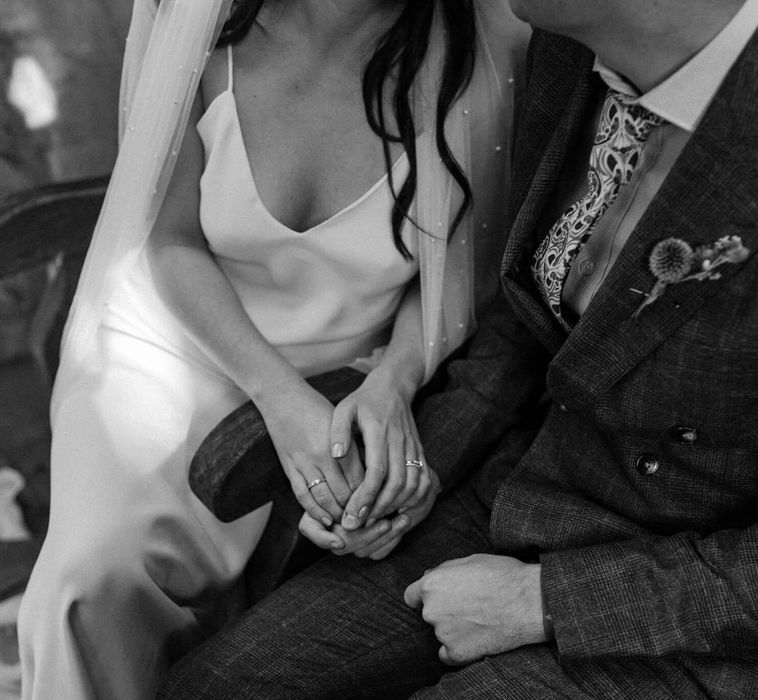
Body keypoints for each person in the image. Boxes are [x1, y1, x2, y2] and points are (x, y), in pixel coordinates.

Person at [156, 0, 758, 697]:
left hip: (690, 605)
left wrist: (543, 602)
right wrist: (403, 470)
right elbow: (526, 325)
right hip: (519, 490)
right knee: (219, 688)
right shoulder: (564, 50)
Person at [17, 0, 530, 698]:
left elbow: (455, 274)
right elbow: (168, 241)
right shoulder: (199, 21)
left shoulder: (489, 45)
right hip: (167, 346)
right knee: (93, 573)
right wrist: (279, 396)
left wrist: (393, 384)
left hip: (348, 374)